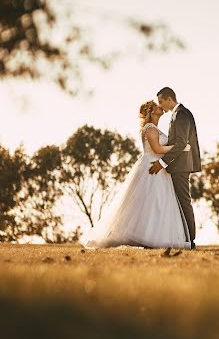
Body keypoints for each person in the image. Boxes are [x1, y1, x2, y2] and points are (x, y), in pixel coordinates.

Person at [81, 100, 191, 249]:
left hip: (160, 168)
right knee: (152, 202)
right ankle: (145, 236)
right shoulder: (150, 128)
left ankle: (155, 236)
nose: (161, 107)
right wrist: (180, 147)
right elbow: (157, 149)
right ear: (152, 112)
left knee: (158, 203)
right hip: (151, 166)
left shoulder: (155, 128)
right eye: (157, 106)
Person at [149, 87, 201, 250]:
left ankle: (190, 240)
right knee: (178, 202)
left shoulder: (182, 114)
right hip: (177, 165)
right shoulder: (176, 115)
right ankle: (183, 238)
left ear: (169, 99)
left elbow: (180, 143)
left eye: (161, 101)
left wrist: (162, 163)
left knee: (184, 202)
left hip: (181, 166)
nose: (160, 105)